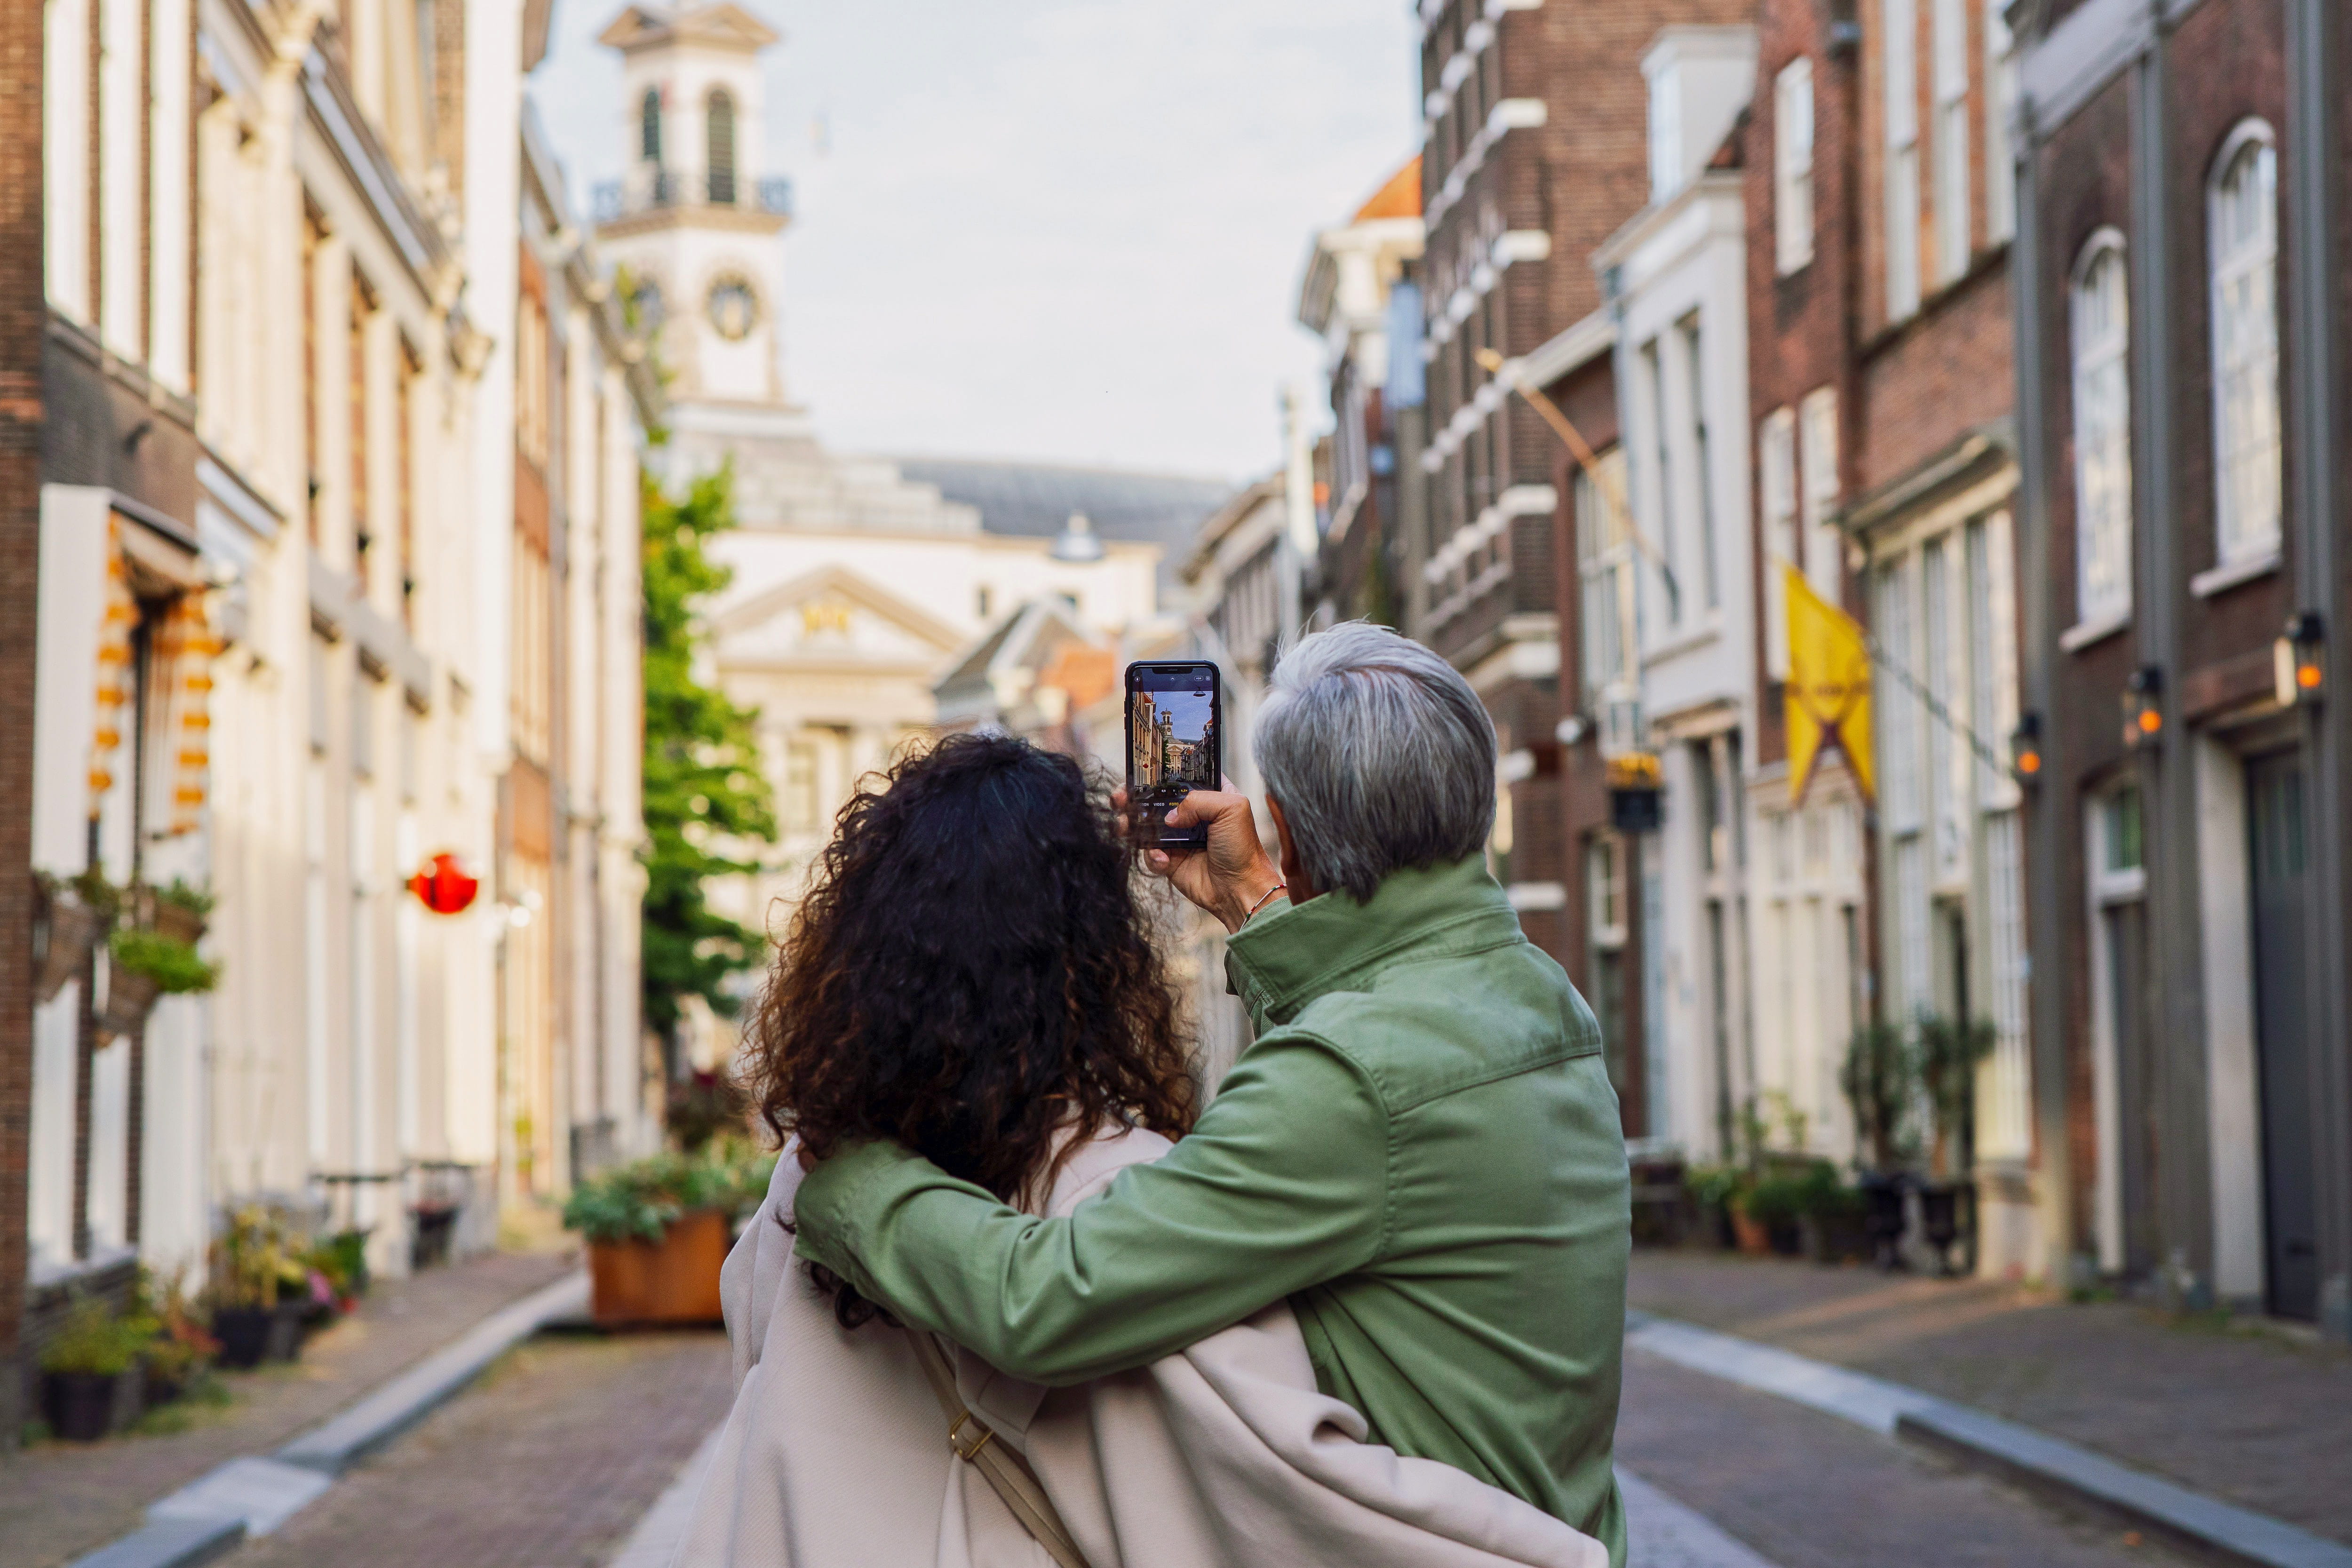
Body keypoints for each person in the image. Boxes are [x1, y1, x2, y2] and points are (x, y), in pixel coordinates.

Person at [791, 624, 1635, 1566]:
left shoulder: (1347, 1080)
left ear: (1281, 815)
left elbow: (1047, 1300)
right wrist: (1253, 905)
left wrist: (849, 1178)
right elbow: (1388, 1070)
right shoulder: (1533, 992)